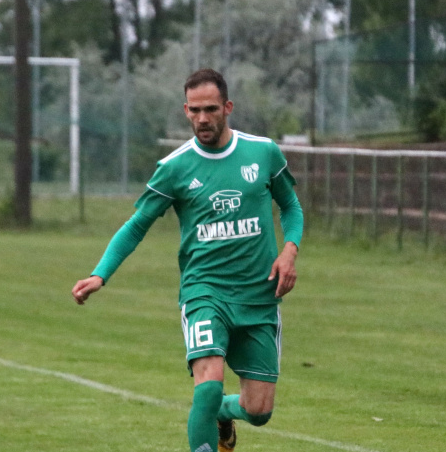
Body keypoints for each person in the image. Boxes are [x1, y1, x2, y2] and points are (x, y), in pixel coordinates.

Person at [71, 68, 304, 452]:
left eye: (210, 109)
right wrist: (100, 274)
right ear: (185, 110)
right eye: (194, 110)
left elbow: (291, 206)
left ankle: (224, 414)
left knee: (259, 410)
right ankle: (211, 420)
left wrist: (289, 251)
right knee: (207, 387)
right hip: (204, 293)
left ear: (227, 107)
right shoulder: (175, 168)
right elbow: (136, 226)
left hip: (259, 295)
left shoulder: (263, 152)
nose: (202, 118)